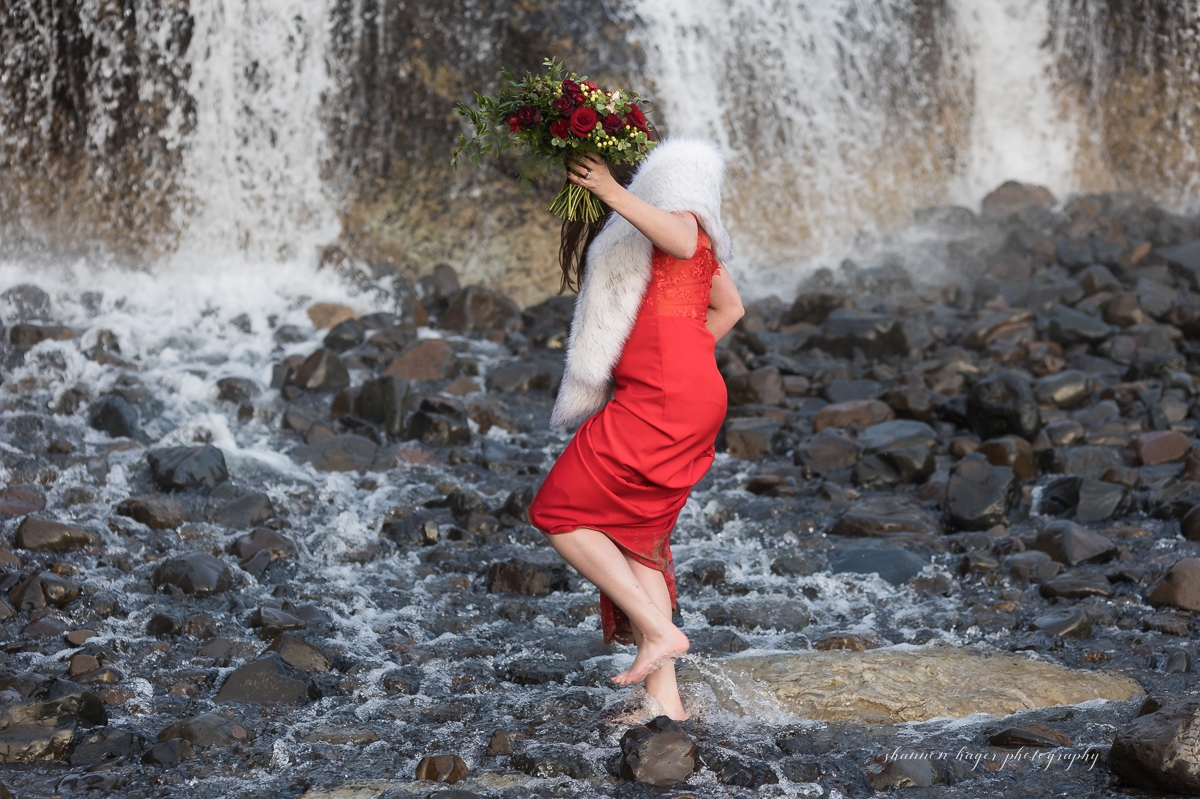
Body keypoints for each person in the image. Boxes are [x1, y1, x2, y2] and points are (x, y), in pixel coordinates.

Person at [527, 137, 743, 720]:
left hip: (663, 400)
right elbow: (731, 311)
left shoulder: (682, 230)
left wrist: (609, 189)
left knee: (557, 514)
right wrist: (687, 360)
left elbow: (679, 232)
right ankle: (665, 705)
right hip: (692, 396)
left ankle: (656, 630)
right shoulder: (697, 253)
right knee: (641, 539)